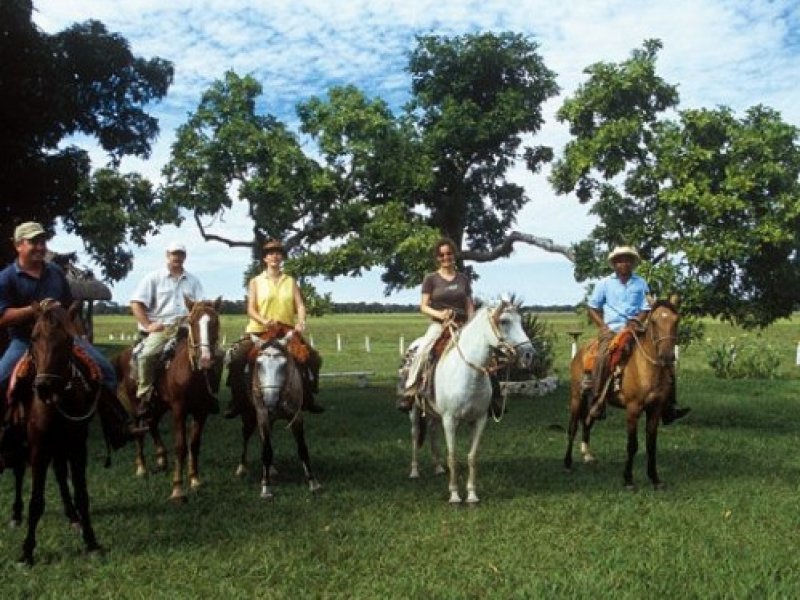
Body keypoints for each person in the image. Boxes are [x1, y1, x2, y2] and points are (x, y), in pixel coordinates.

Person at [0, 222, 141, 451]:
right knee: (1, 378)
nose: (39, 246)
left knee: (105, 370)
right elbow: (3, 317)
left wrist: (80, 336)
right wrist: (34, 310)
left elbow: (68, 309)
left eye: (42, 241)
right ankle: (6, 439)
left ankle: (117, 427)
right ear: (18, 245)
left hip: (64, 339)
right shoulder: (6, 278)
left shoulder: (55, 273)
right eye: (33, 242)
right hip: (25, 341)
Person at [585, 245, 690, 424]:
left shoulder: (640, 283)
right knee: (603, 355)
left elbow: (645, 307)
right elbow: (592, 307)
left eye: (627, 260)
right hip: (612, 330)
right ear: (614, 264)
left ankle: (669, 405)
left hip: (636, 328)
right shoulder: (604, 284)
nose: (624, 263)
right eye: (620, 260)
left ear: (632, 263)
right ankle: (597, 400)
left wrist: (637, 321)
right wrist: (602, 326)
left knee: (665, 360)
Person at [224, 239, 323, 418]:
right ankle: (237, 401)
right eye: (270, 253)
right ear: (265, 259)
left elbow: (300, 305)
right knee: (237, 359)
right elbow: (250, 309)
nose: (275, 256)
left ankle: (308, 397)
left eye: (278, 253)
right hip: (259, 330)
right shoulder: (255, 281)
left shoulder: (290, 281)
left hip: (286, 330)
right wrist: (264, 320)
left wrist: (301, 321)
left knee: (312, 358)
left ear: (282, 258)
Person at [397, 237, 480, 412]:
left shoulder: (463, 279)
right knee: (423, 350)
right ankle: (410, 391)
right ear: (437, 258)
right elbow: (423, 306)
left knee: (483, 352)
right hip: (439, 324)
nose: (446, 257)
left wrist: (472, 323)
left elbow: (469, 305)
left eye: (449, 254)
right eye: (442, 255)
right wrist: (440, 315)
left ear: (454, 255)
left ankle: (493, 396)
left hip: (462, 324)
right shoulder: (431, 279)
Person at [129, 241, 205, 420]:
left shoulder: (193, 281)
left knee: (213, 354)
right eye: (174, 254)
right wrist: (148, 325)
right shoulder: (153, 278)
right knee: (147, 355)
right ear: (167, 255)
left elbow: (201, 305)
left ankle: (208, 394)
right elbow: (136, 303)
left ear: (185, 257)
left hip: (187, 329)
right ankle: (145, 394)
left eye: (180, 254)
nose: (177, 257)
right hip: (163, 329)